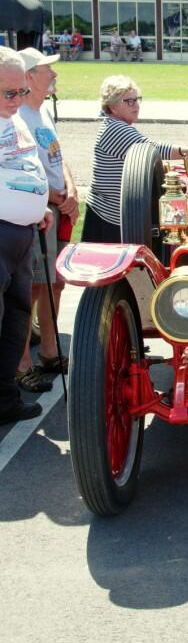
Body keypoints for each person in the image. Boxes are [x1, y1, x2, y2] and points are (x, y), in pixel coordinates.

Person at [15, 47, 79, 392]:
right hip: (39, 212)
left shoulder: (41, 113)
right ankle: (23, 362)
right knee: (33, 287)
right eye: (46, 70)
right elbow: (24, 167)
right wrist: (56, 197)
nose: (54, 75)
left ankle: (51, 352)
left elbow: (59, 156)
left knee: (56, 284)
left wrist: (70, 189)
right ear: (28, 77)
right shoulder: (19, 116)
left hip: (57, 208)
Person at [0, 46, 53, 424]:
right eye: (10, 93)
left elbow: (27, 164)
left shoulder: (15, 116)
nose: (19, 99)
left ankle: (5, 398)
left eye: (21, 91)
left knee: (17, 317)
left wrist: (40, 205)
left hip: (23, 232)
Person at [82, 75, 188, 243]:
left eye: (137, 99)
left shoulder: (115, 125)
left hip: (113, 215)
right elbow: (153, 150)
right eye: (129, 101)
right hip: (111, 220)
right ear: (112, 106)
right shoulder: (116, 129)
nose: (136, 105)